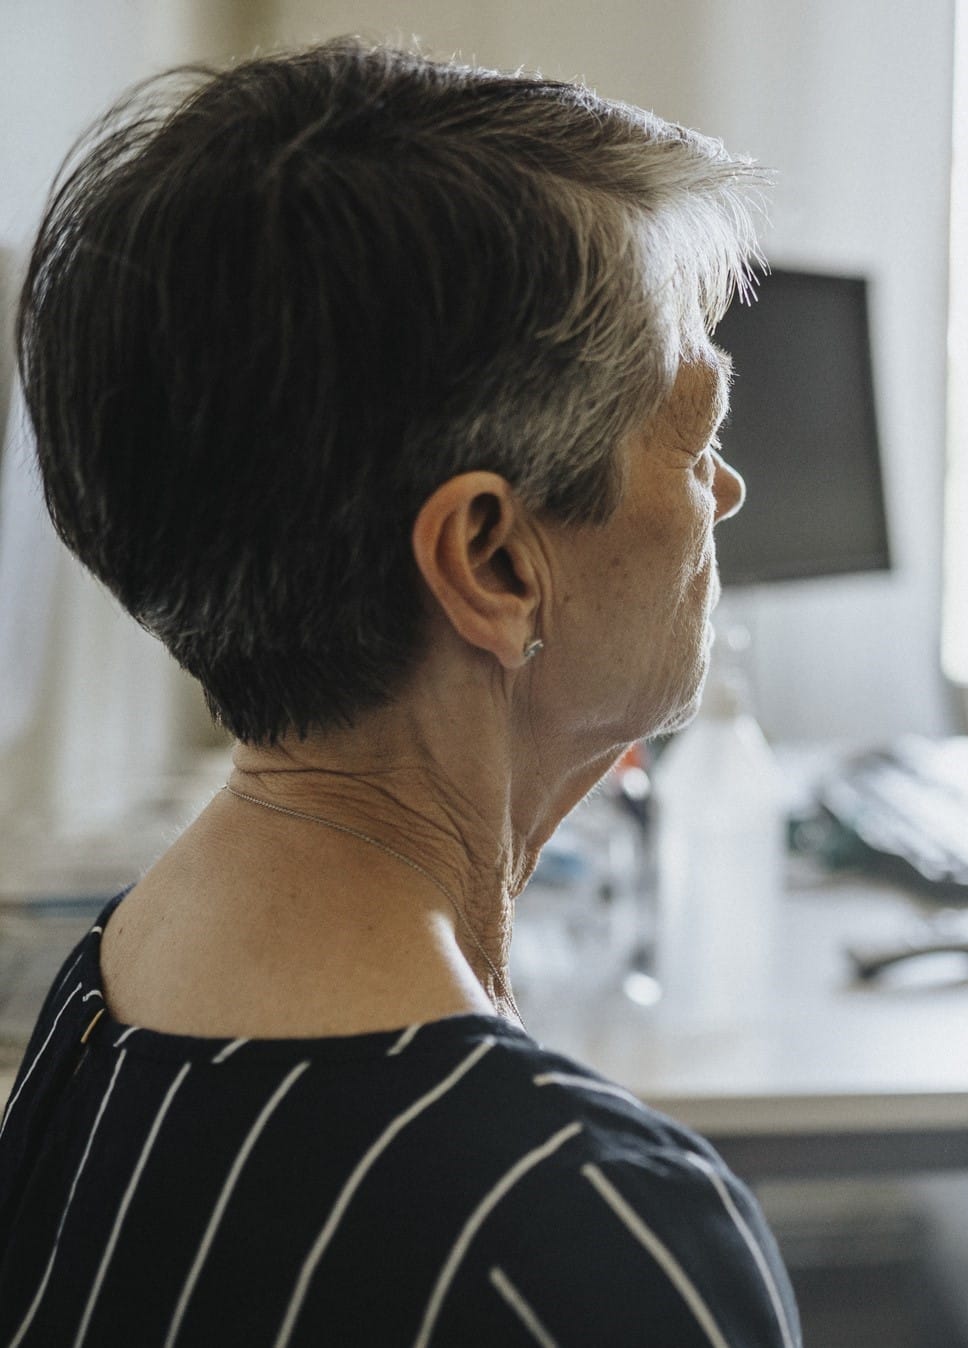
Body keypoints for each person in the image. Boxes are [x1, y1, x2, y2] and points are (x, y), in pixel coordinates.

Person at [0, 40, 801, 1346]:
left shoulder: (112, 986)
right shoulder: (579, 1238)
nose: (725, 493)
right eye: (697, 437)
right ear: (491, 560)